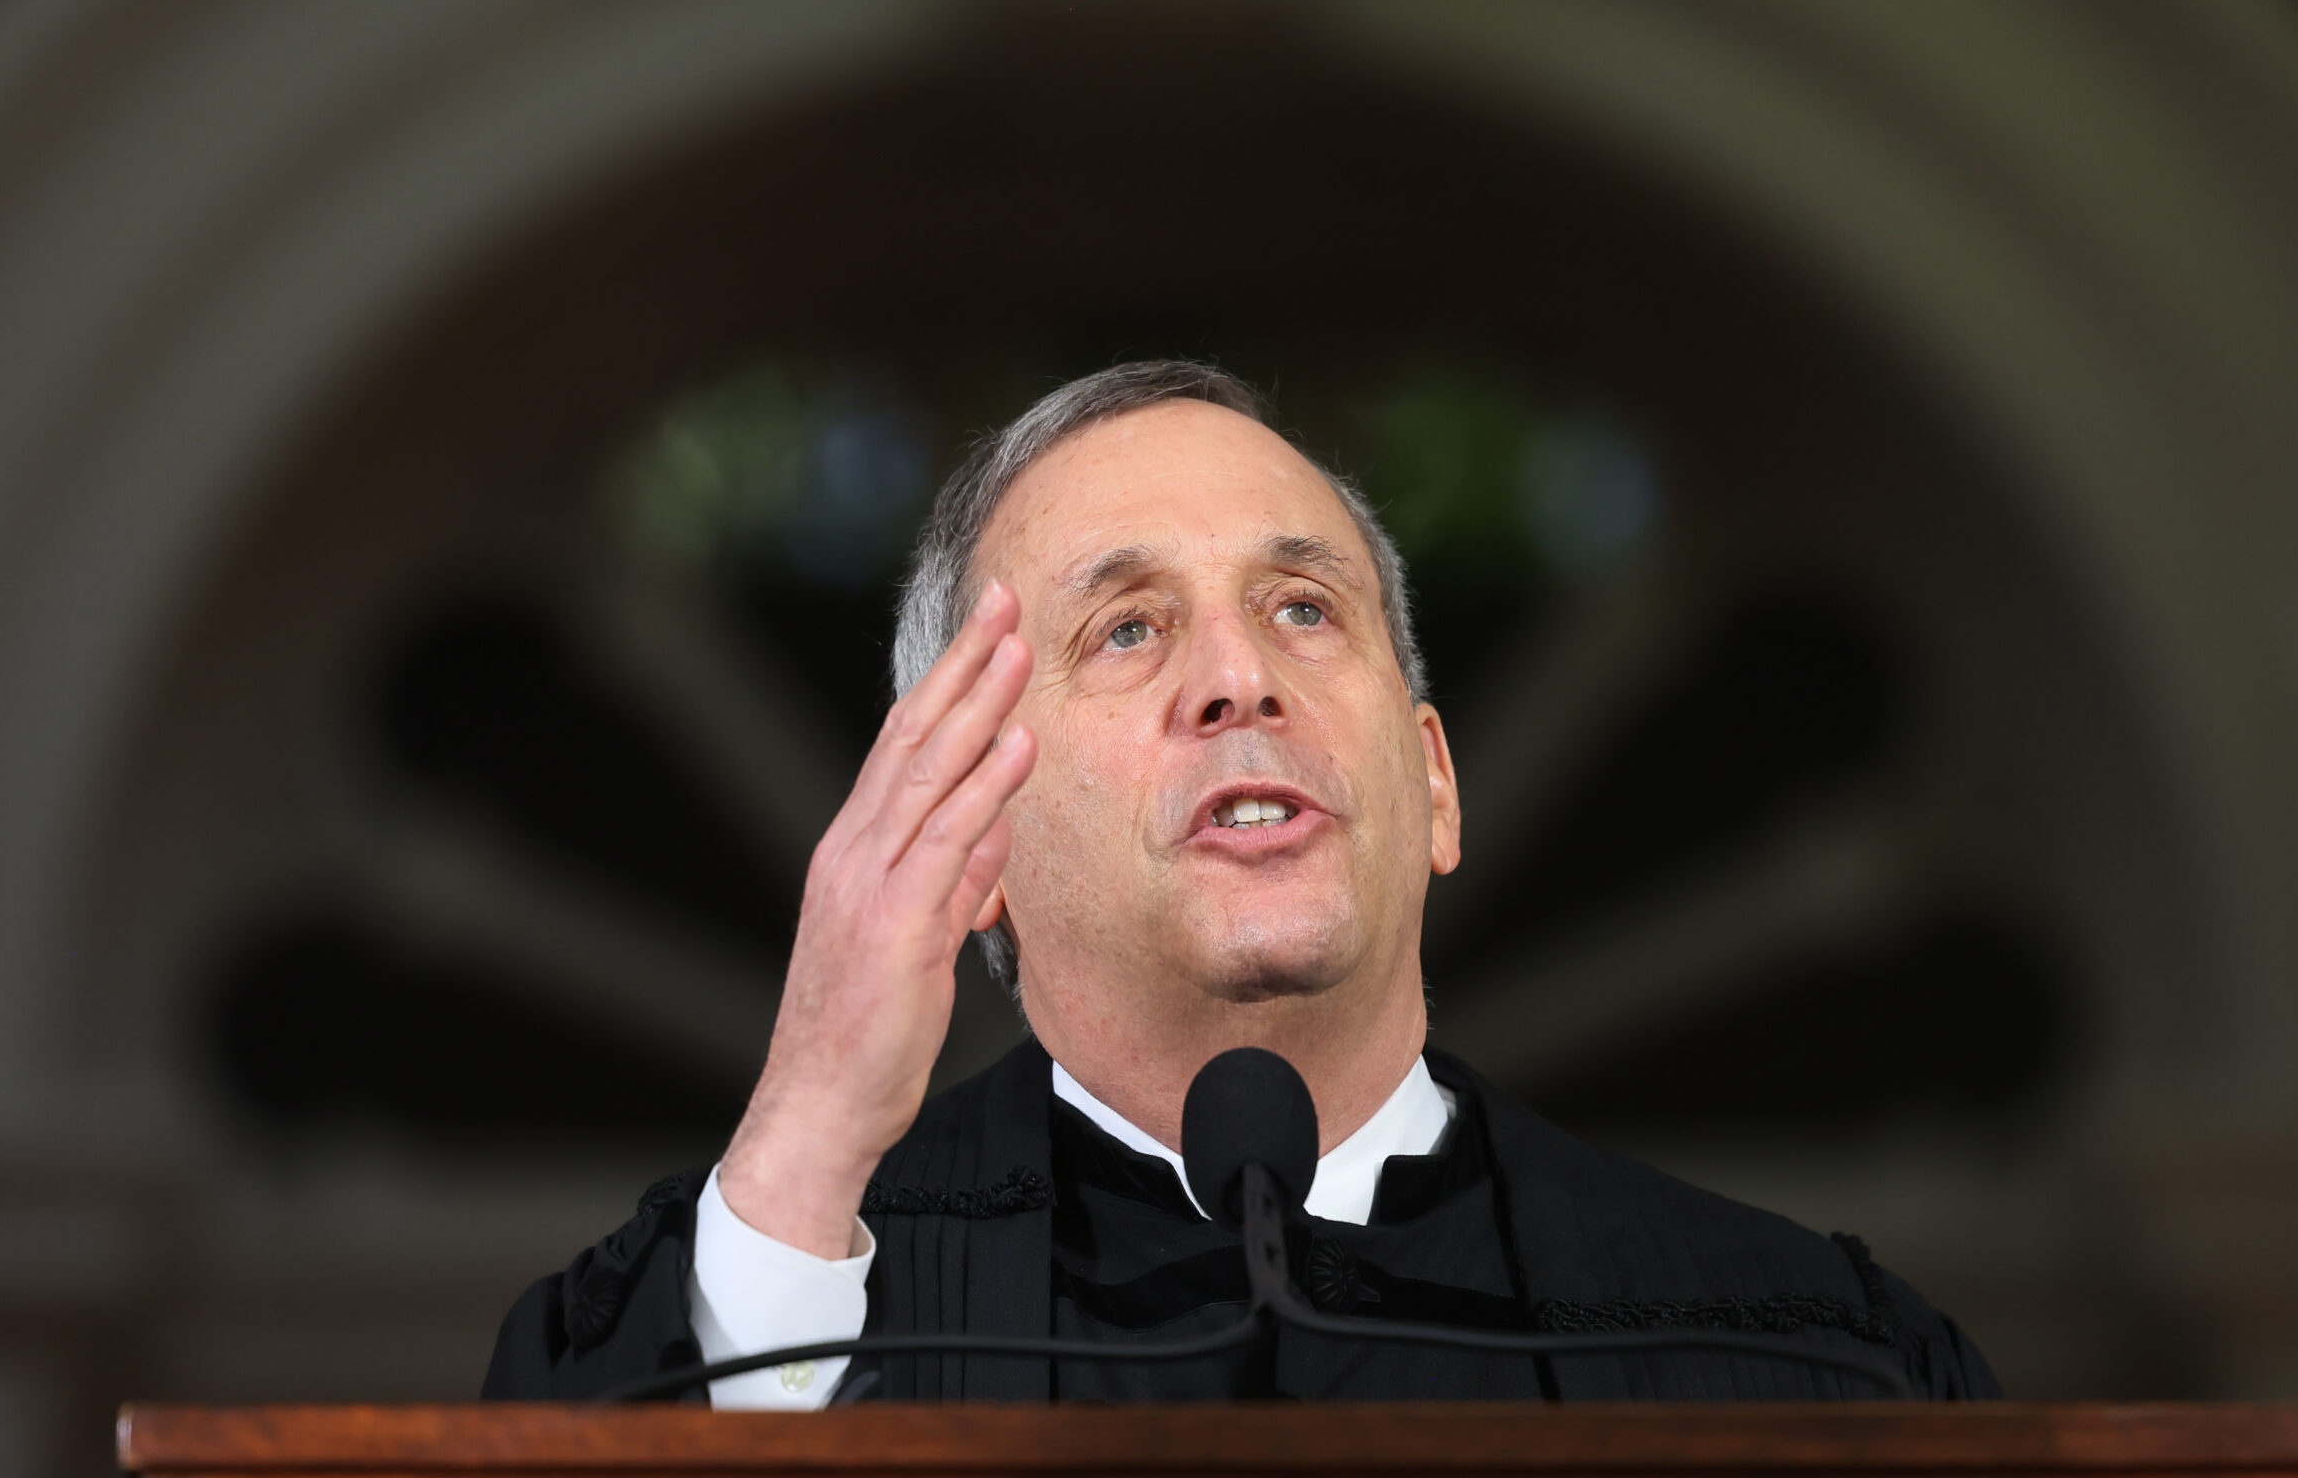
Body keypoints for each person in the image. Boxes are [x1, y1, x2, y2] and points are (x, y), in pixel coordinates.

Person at [482, 361, 1998, 1405]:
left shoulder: (1802, 1349)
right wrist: (808, 1134)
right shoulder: (789, 1302)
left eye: (1301, 607)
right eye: (1128, 630)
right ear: (970, 828)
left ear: (1439, 785)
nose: (1238, 680)